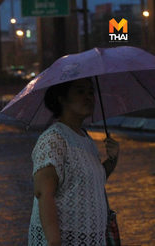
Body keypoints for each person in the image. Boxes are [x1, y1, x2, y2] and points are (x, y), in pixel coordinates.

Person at [28, 78, 120, 246]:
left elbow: (88, 184)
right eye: (80, 92)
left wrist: (112, 161)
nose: (88, 97)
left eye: (91, 92)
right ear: (62, 99)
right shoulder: (53, 139)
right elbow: (44, 193)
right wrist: (54, 242)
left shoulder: (87, 139)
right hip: (66, 239)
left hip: (91, 239)